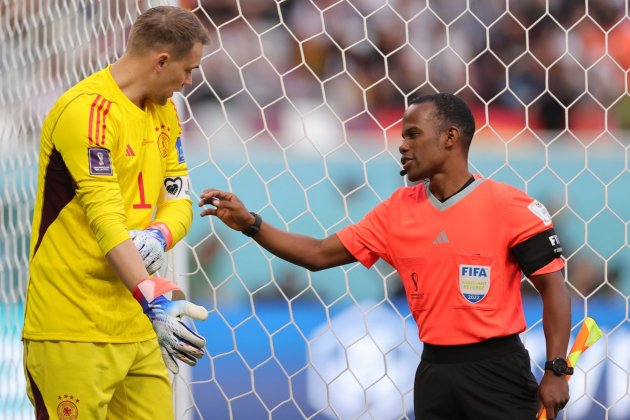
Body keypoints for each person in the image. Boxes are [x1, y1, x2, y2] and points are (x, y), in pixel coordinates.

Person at [199, 93, 572, 420]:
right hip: (434, 372)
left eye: (413, 135)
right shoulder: (397, 211)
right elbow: (317, 254)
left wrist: (557, 370)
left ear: (450, 138)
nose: (402, 146)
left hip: (498, 370)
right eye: (401, 136)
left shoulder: (510, 206)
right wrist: (251, 224)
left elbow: (553, 288)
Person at [22, 6, 210, 419]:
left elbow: (179, 199)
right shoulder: (86, 113)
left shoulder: (166, 114)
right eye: (187, 70)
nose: (189, 81)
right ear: (161, 61)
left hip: (136, 323)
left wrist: (159, 234)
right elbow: (106, 219)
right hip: (72, 326)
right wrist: (155, 298)